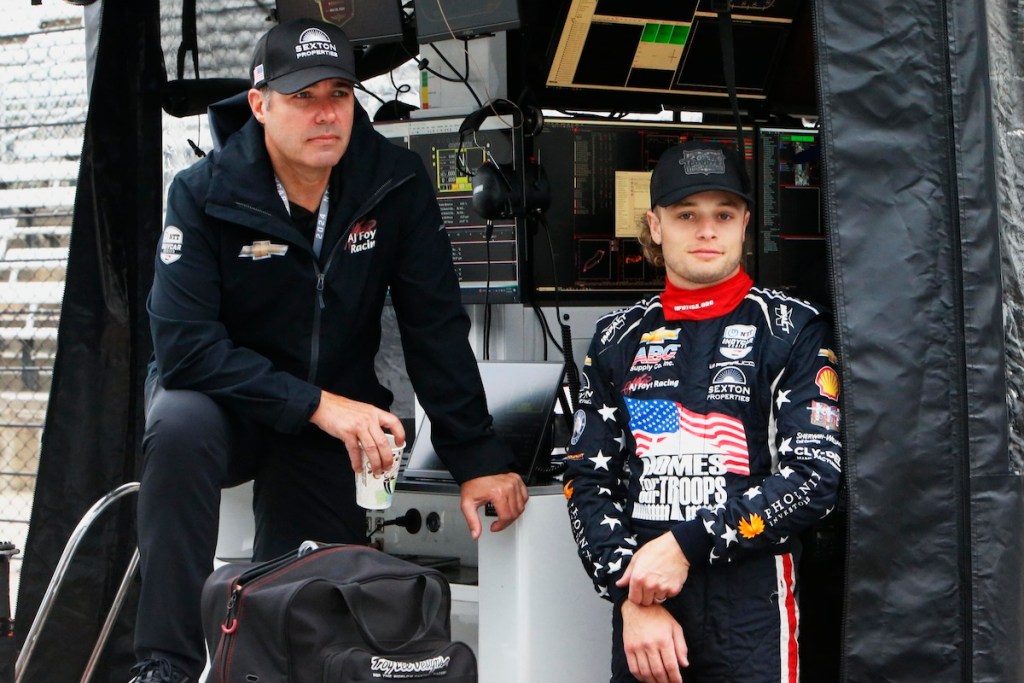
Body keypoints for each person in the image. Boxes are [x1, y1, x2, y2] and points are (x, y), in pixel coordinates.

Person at [130, 17, 528, 683]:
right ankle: (163, 665)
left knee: (307, 620)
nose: (324, 114)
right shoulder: (201, 192)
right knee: (178, 421)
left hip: (325, 423)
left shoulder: (392, 182)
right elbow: (184, 350)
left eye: (338, 94)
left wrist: (478, 456)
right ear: (259, 105)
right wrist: (317, 404)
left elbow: (436, 327)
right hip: (227, 408)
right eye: (301, 97)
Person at [563, 141, 842, 683]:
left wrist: (685, 545)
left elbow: (814, 479)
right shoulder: (617, 338)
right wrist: (631, 594)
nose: (707, 230)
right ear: (655, 224)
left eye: (723, 214)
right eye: (687, 214)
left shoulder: (793, 329)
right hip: (646, 605)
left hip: (750, 605)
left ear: (744, 225)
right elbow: (585, 478)